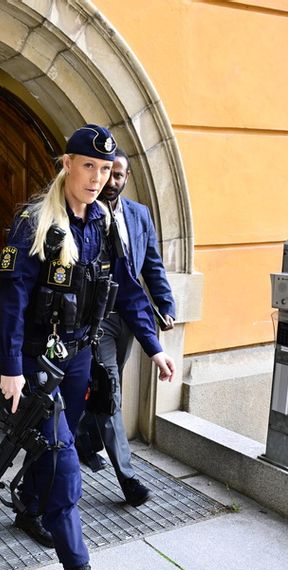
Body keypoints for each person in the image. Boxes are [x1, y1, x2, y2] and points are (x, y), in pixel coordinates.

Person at [0, 125, 175, 570]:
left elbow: (130, 289)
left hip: (77, 358)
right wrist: (11, 367)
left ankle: (30, 506)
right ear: (66, 164)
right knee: (65, 459)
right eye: (88, 166)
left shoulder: (103, 220)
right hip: (37, 361)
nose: (97, 177)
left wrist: (154, 346)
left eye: (104, 168)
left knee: (56, 445)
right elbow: (12, 302)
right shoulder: (34, 222)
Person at [74, 150, 176, 507]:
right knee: (109, 392)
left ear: (126, 178)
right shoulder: (85, 217)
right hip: (95, 321)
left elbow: (148, 266)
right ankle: (128, 479)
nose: (110, 182)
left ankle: (86, 439)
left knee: (99, 387)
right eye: (105, 173)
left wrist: (164, 305)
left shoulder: (139, 215)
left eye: (117, 175)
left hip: (127, 319)